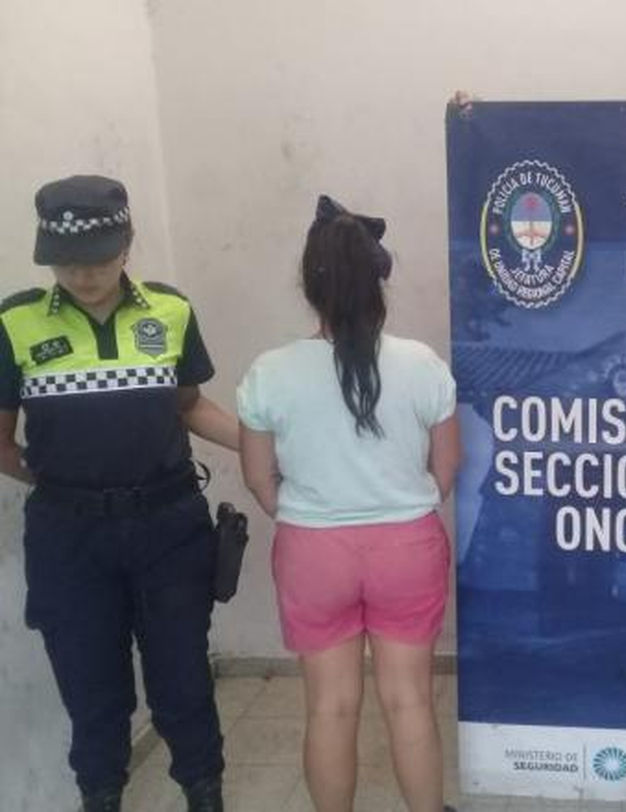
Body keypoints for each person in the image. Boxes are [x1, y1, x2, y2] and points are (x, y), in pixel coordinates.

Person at [0, 175, 239, 811]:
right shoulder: (15, 322)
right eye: (67, 262)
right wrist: (65, 485)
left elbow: (189, 405)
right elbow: (2, 442)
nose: (83, 274)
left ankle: (204, 793)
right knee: (92, 691)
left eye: (99, 259)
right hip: (68, 539)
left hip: (169, 529)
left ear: (127, 245)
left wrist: (260, 447)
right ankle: (100, 796)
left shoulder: (170, 310)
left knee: (183, 681)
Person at [237, 194, 460, 812]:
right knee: (409, 700)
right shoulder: (422, 365)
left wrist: (311, 516)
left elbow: (257, 477)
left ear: (310, 287)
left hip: (312, 552)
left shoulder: (269, 372)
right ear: (377, 284)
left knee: (330, 707)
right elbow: (446, 468)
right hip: (407, 547)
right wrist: (400, 505)